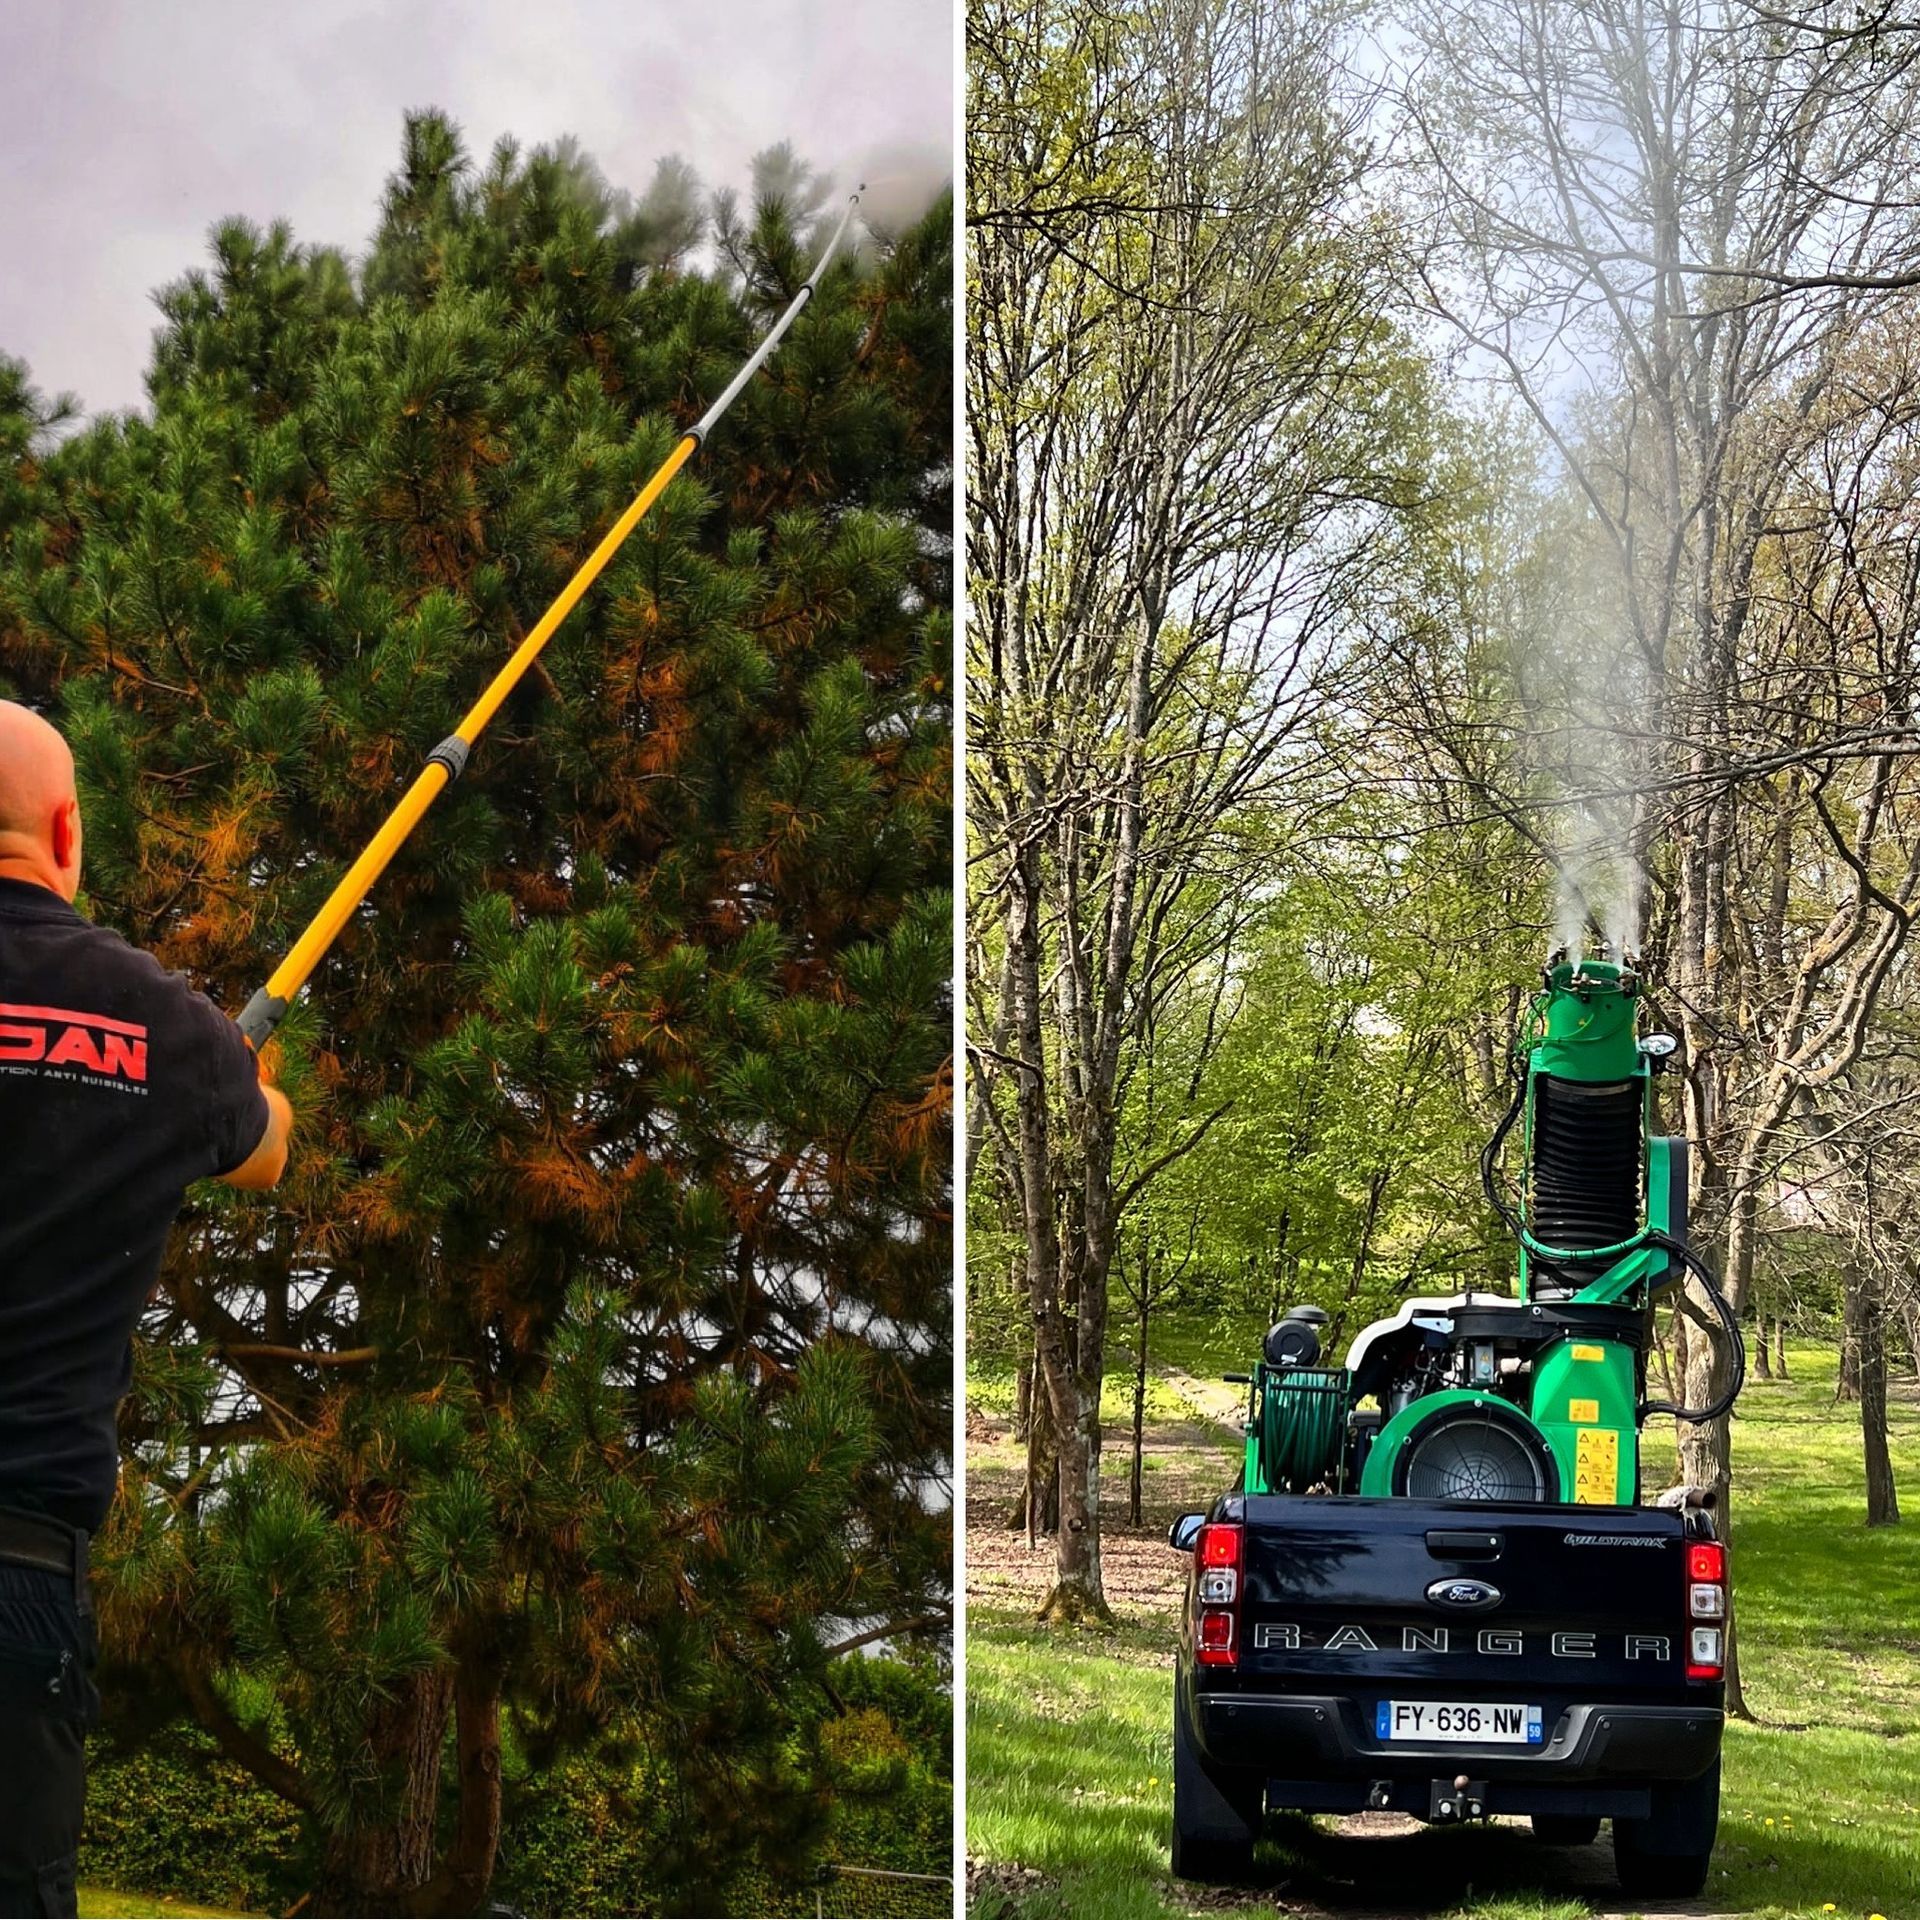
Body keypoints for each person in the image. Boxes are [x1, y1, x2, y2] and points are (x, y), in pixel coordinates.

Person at [0, 700, 292, 1918]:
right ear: (66, 832)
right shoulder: (165, 1028)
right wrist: (240, 1062)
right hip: (17, 1574)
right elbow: (266, 1149)